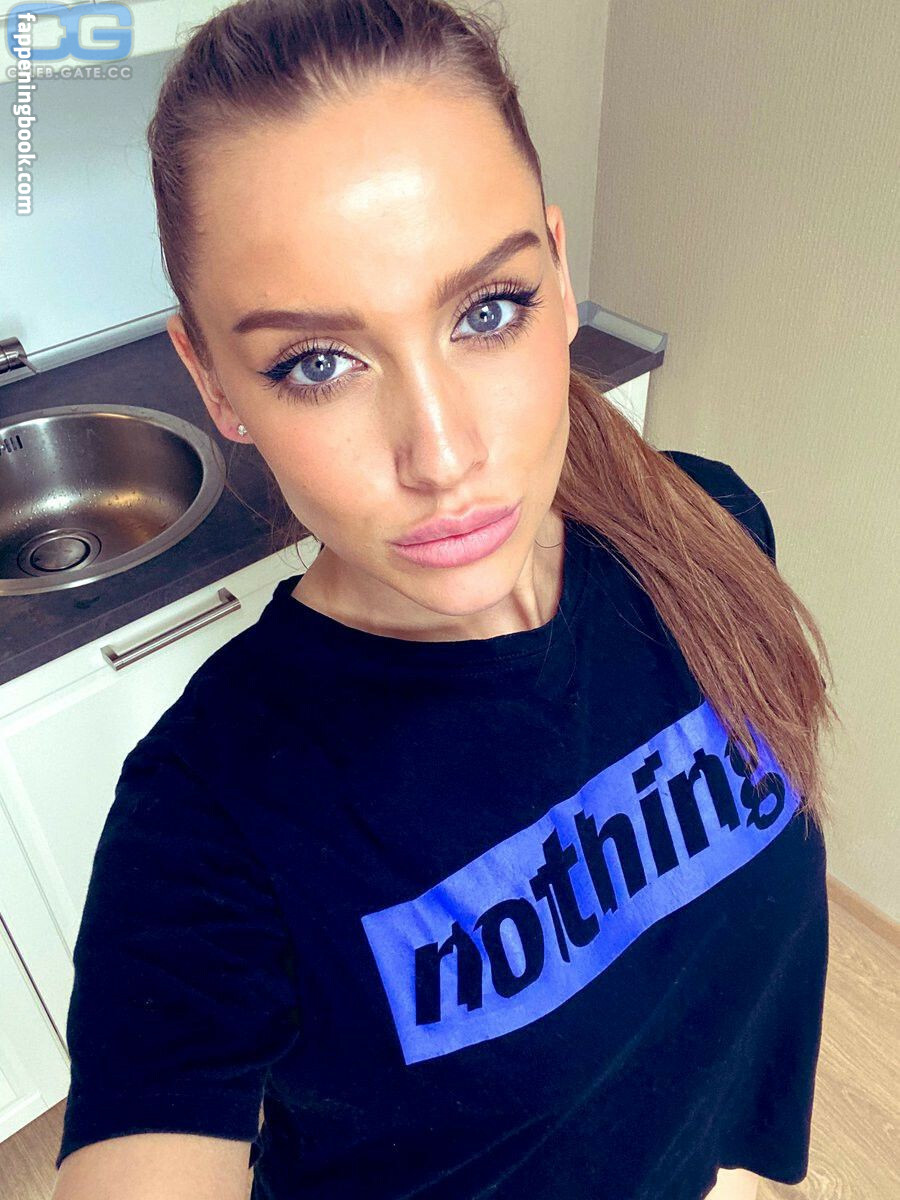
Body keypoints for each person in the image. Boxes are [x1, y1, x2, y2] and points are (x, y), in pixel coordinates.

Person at [51, 2, 839, 1198]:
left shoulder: (712, 533)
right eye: (317, 363)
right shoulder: (213, 819)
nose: (441, 452)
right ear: (212, 382)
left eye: (487, 309)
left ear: (559, 278)